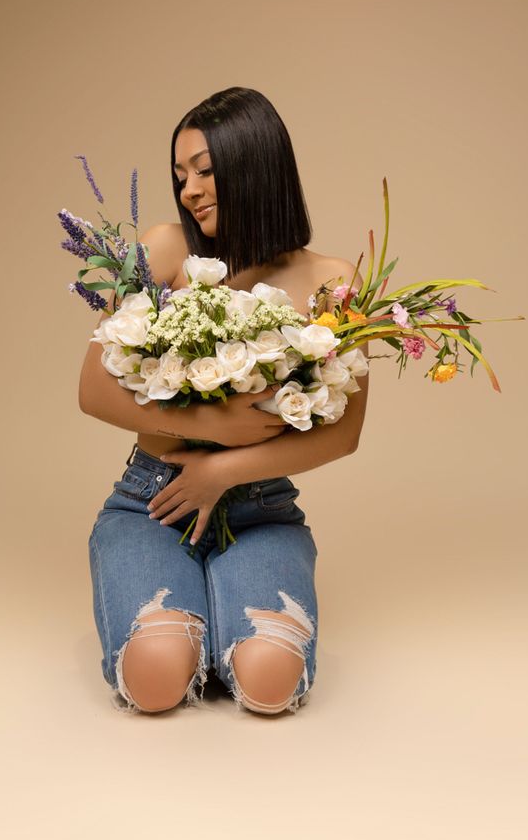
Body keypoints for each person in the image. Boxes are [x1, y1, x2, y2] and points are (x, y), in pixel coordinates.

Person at [79, 86, 370, 715]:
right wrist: (216, 421)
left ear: (256, 164)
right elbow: (92, 388)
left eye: (205, 171)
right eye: (180, 175)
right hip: (151, 504)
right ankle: (189, 623)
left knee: (269, 684)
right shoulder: (164, 249)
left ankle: (221, 618)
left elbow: (344, 433)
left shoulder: (331, 281)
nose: (189, 190)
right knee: (156, 681)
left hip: (260, 508)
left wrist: (223, 468)